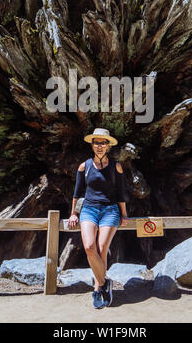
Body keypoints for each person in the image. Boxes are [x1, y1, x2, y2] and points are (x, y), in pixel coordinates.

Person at [68, 128, 129, 309]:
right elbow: (77, 193)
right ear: (92, 145)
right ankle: (104, 283)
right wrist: (74, 213)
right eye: (96, 142)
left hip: (110, 211)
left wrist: (124, 214)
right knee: (89, 247)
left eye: (103, 143)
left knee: (102, 248)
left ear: (108, 146)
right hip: (89, 210)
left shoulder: (115, 166)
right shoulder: (84, 166)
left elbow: (121, 192)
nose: (100, 146)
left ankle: (97, 288)